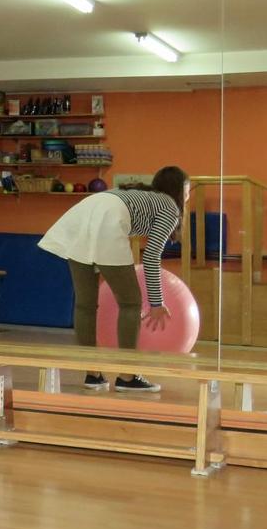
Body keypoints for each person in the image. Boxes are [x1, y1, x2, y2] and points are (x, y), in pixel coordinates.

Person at [37, 166, 189, 393]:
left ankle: (93, 374)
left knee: (85, 304)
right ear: (179, 189)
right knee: (130, 303)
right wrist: (156, 303)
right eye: (188, 189)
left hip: (82, 214)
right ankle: (127, 376)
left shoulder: (141, 195)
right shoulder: (169, 206)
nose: (189, 194)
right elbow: (151, 256)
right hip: (106, 219)